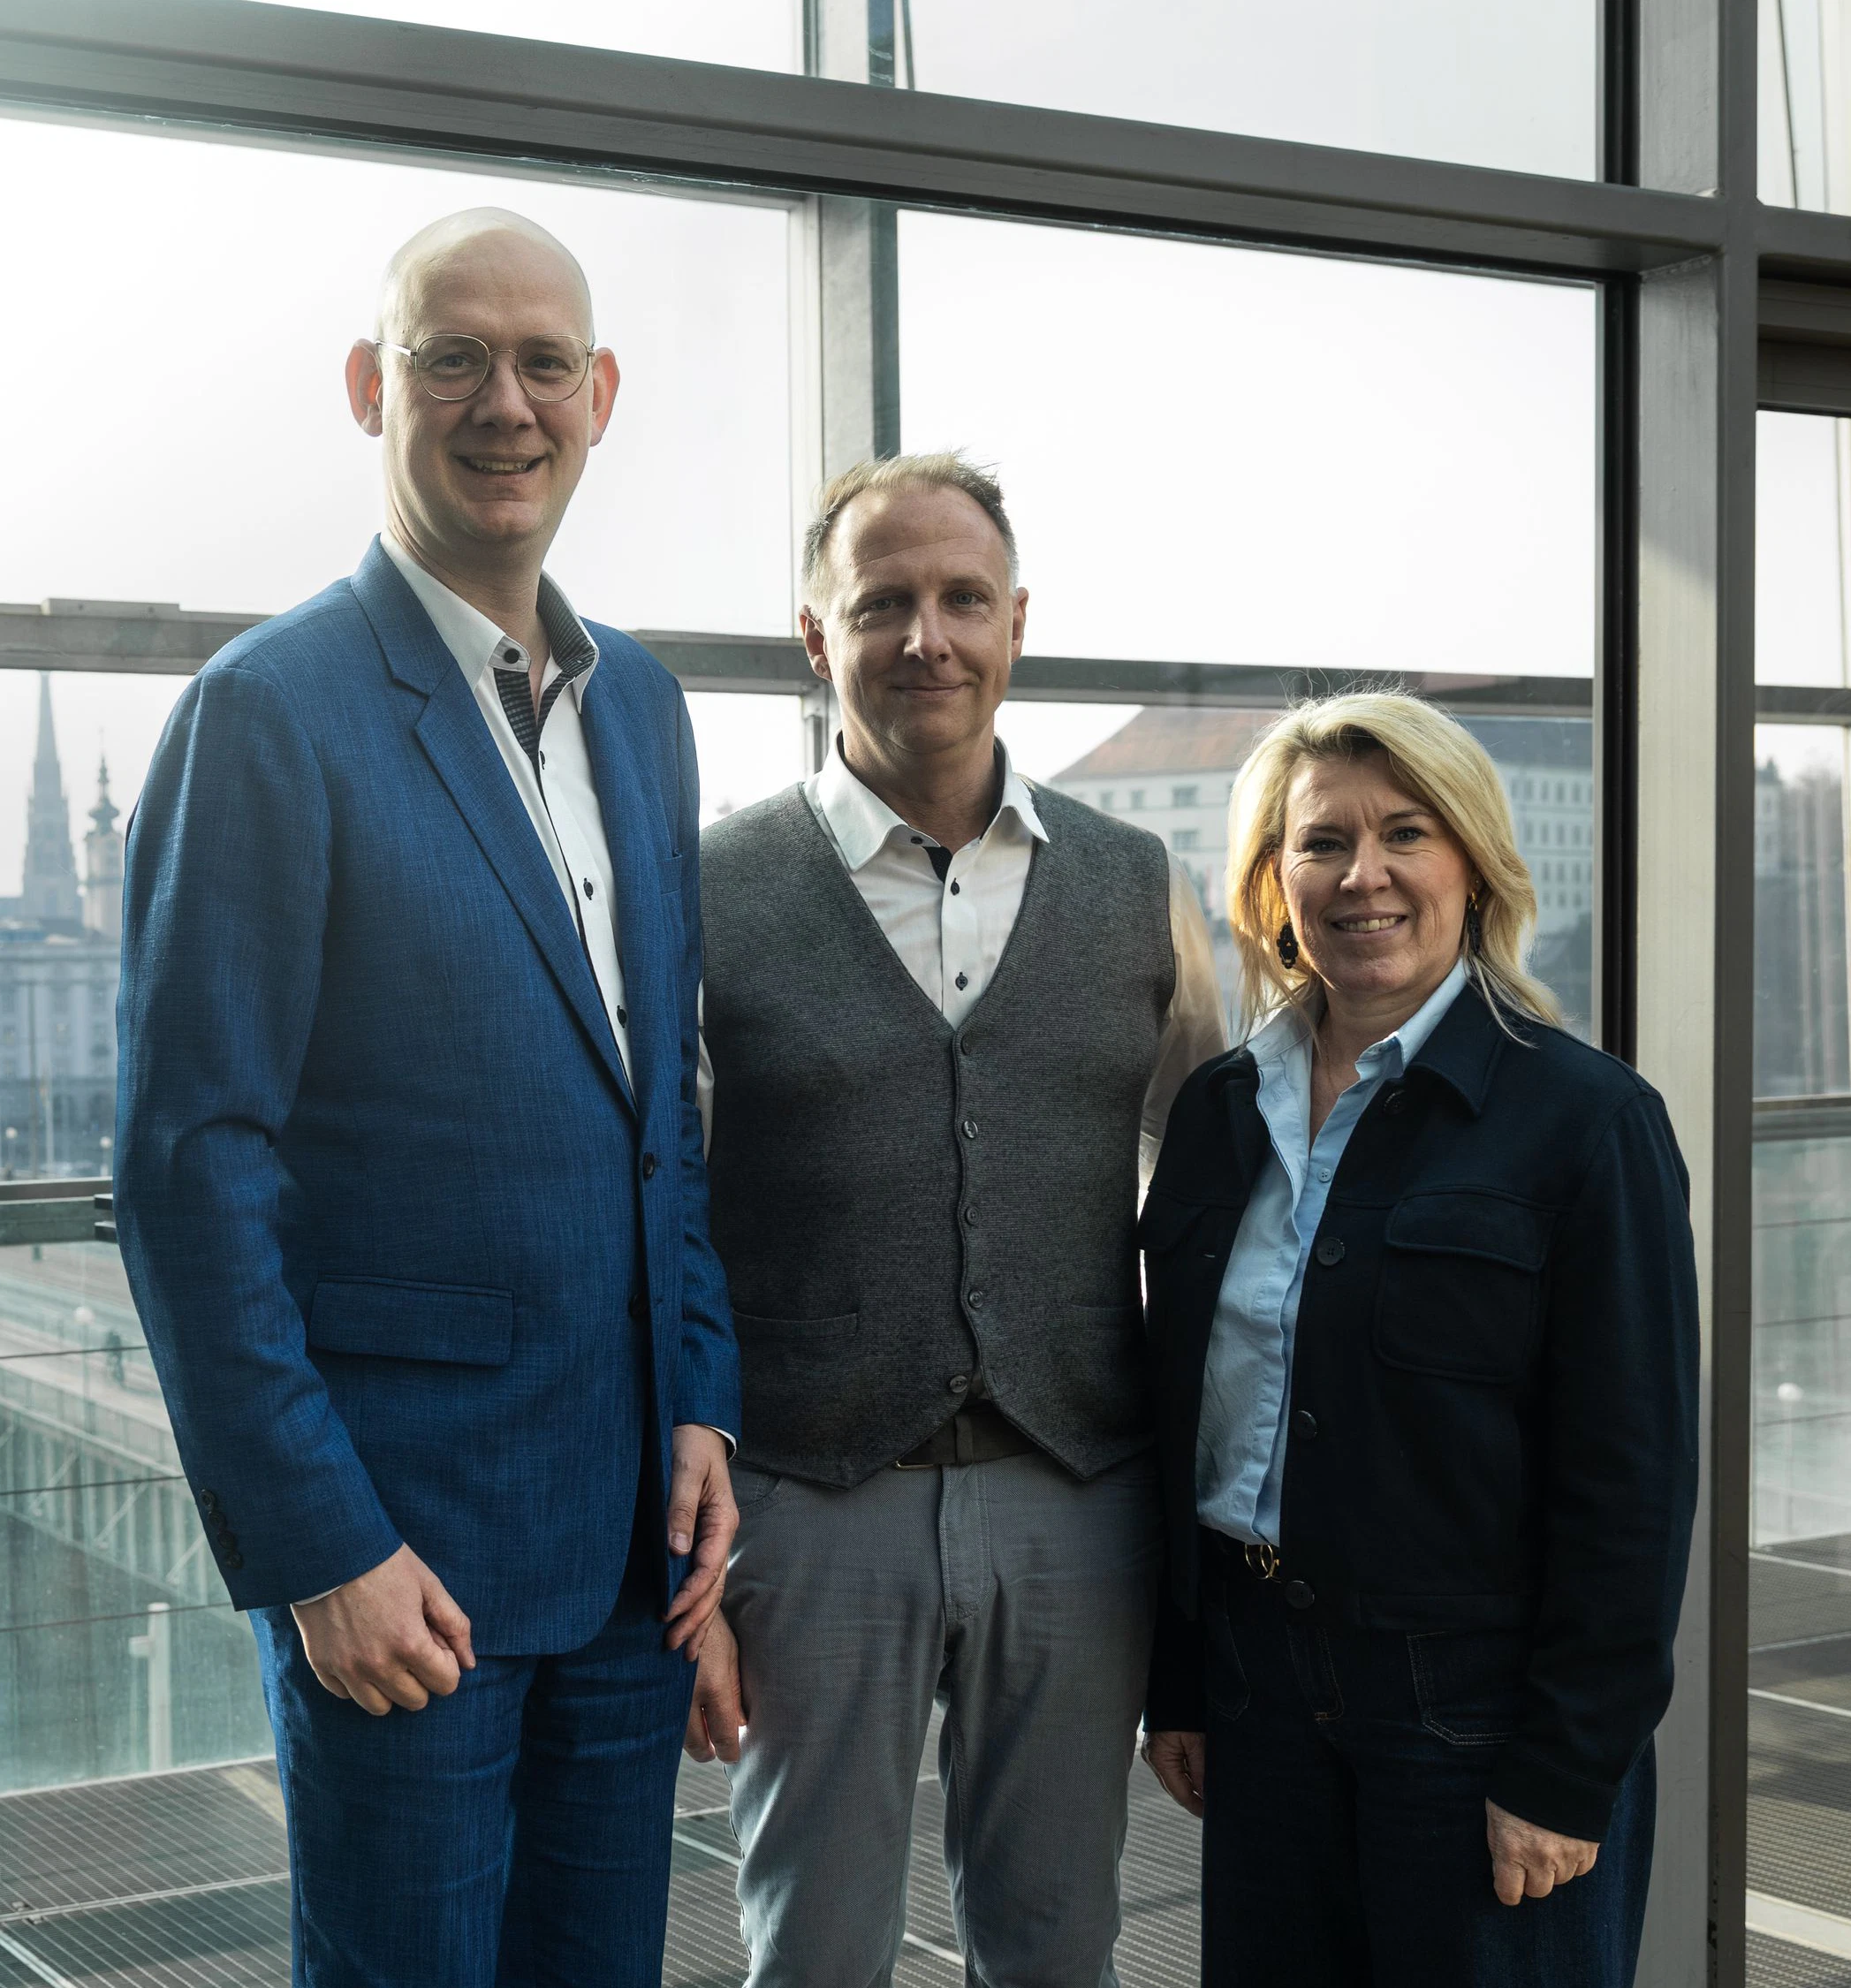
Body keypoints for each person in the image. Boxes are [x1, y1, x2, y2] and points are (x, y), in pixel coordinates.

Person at [112, 209, 739, 1988]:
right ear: (368, 388)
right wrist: (323, 1550)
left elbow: (664, 1116)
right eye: (451, 359)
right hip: (408, 1573)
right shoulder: (268, 711)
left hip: (631, 1557)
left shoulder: (646, 710)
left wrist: (700, 1397)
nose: (502, 403)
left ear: (599, 394)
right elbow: (189, 1173)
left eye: (542, 364)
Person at [681, 451, 1223, 1984]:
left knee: (1058, 1945)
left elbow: (1209, 1189)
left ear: (1017, 623)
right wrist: (681, 1574)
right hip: (809, 1501)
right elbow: (656, 1235)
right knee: (815, 1948)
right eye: (885, 603)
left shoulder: (1135, 883)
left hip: (1078, 1498)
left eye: (964, 599)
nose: (929, 637)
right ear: (816, 636)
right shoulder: (706, 890)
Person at [1135, 692, 1697, 1986]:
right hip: (1257, 1689)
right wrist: (1184, 1681)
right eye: (1323, 842)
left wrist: (1566, 1767)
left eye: (1406, 833)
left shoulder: (1587, 1122)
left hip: (1479, 1710)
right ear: (1275, 882)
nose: (1364, 875)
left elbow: (1634, 1479)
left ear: (1474, 867)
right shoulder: (1219, 1114)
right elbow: (1180, 1417)